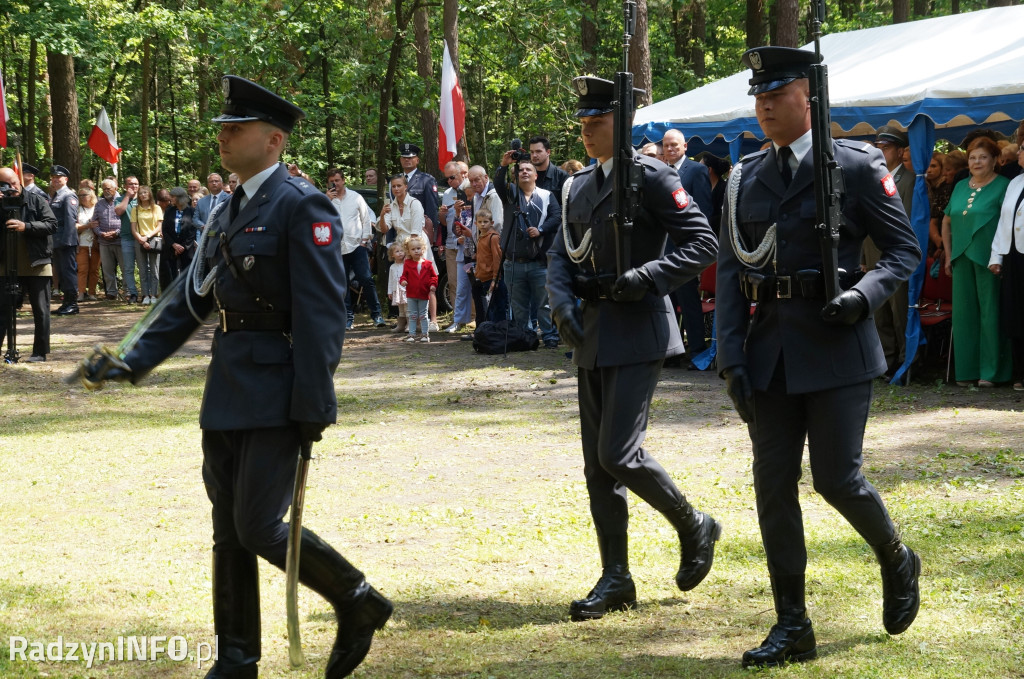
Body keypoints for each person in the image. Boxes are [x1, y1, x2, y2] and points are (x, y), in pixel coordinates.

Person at [76, 75, 392, 679]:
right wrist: (130, 359)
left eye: (237, 128)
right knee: (228, 531)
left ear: (273, 140)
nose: (223, 137)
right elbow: (189, 297)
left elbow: (324, 315)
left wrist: (314, 401)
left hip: (279, 389)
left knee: (259, 526)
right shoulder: (228, 208)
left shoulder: (302, 205)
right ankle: (236, 659)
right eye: (222, 127)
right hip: (227, 387)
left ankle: (357, 599)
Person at [717, 47, 922, 668]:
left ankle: (896, 557)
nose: (764, 106)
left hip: (837, 347)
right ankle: (792, 624)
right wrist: (730, 356)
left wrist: (863, 296)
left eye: (776, 95)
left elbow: (903, 251)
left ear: (808, 96)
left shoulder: (854, 166)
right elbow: (730, 270)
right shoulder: (746, 175)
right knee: (772, 487)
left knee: (837, 479)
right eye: (758, 97)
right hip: (770, 354)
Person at [546, 75, 721, 622]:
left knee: (618, 453)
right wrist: (560, 303)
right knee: (597, 467)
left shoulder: (653, 177)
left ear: (621, 124)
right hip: (592, 330)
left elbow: (703, 243)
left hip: (638, 324)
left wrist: (648, 275)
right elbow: (561, 252)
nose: (587, 131)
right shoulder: (578, 185)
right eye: (582, 122)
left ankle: (693, 523)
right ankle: (616, 577)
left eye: (598, 122)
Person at [941, 136, 1012, 386]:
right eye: (972, 157)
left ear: (995, 160)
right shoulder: (961, 185)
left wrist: (1001, 256)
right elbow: (946, 221)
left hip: (990, 259)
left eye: (983, 157)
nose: (977, 162)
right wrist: (948, 254)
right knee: (964, 315)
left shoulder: (1004, 185)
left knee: (990, 314)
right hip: (961, 258)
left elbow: (1008, 224)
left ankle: (991, 372)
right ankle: (966, 371)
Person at [495, 158, 560, 347]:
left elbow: (557, 216)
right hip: (513, 262)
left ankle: (549, 336)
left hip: (539, 262)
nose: (524, 172)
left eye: (528, 169)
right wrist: (504, 165)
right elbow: (498, 183)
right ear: (515, 175)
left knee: (545, 304)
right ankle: (526, 338)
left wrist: (541, 230)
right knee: (519, 306)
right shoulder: (510, 194)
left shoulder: (547, 195)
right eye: (520, 169)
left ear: (535, 175)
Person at [864, 125, 913, 378]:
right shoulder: (871, 177)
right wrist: (863, 257)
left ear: (900, 151)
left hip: (896, 254)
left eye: (887, 148)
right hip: (873, 253)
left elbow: (908, 219)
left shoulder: (909, 180)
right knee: (879, 311)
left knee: (899, 310)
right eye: (878, 147)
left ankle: (906, 361)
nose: (881, 152)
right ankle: (887, 360)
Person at [662, 129, 714, 364]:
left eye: (674, 145)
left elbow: (704, 210)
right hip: (663, 249)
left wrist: (694, 244)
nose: (670, 149)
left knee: (689, 301)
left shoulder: (696, 170)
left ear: (685, 147)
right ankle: (672, 353)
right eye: (666, 145)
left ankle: (697, 351)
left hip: (685, 248)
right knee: (668, 303)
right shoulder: (660, 171)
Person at [0, 167, 57, 362]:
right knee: (3, 309)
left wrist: (26, 226)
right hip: (6, 264)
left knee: (40, 310)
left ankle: (39, 352)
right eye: (6, 185)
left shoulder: (36, 200)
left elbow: (52, 224)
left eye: (14, 183)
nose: (12, 188)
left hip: (37, 263)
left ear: (19, 180)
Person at [327, 168, 386, 329]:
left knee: (366, 279)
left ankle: (377, 315)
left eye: (337, 180)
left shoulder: (356, 197)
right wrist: (326, 200)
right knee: (343, 283)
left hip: (357, 245)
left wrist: (365, 240)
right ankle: (348, 318)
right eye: (332, 181)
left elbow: (366, 219)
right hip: (337, 248)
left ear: (343, 180)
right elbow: (319, 219)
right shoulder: (326, 201)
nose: (335, 184)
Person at [989, 144, 1024, 390]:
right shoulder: (1015, 182)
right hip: (1013, 256)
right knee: (1015, 314)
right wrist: (996, 256)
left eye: (1023, 148)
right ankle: (1020, 372)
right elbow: (1004, 221)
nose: (1019, 152)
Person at [438, 161, 473, 331]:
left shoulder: (470, 189)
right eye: (447, 179)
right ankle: (457, 318)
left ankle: (473, 317)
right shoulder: (446, 193)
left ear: (462, 174)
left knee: (472, 282)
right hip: (452, 243)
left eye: (452, 177)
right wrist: (441, 214)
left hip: (469, 245)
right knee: (453, 283)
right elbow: (444, 223)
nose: (449, 181)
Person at [49, 165, 80, 315]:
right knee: (61, 272)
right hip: (57, 240)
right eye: (53, 177)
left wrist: (67, 241)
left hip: (65, 241)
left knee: (68, 272)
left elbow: (70, 220)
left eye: (58, 177)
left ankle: (72, 304)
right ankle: (66, 303)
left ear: (66, 179)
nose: (55, 180)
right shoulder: (56, 195)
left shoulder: (68, 196)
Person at [470, 208, 507, 324]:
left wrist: (495, 279)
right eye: (480, 222)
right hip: (484, 278)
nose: (482, 224)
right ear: (475, 223)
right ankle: (493, 331)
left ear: (492, 223)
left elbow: (497, 259)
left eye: (485, 222)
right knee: (490, 309)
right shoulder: (481, 237)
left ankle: (499, 331)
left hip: (493, 279)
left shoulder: (493, 237)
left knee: (498, 309)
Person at [399, 233, 437, 342]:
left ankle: (425, 334)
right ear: (409, 251)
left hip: (424, 294)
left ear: (423, 249)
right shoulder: (407, 263)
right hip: (411, 294)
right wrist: (403, 281)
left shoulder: (428, 264)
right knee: (412, 315)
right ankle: (412, 334)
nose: (416, 251)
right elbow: (404, 275)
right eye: (413, 249)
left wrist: (433, 285)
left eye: (418, 248)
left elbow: (433, 277)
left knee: (423, 315)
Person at [130, 186, 164, 305]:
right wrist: (142, 240)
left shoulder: (157, 208)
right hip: (139, 240)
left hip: (154, 240)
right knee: (143, 269)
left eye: (145, 192)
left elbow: (159, 227)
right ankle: (145, 295)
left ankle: (154, 294)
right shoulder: (135, 209)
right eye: (140, 193)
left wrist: (147, 237)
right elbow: (133, 228)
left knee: (154, 269)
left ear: (150, 194)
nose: (143, 195)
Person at [159, 187, 198, 288]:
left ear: (179, 198)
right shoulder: (169, 211)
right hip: (171, 248)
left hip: (187, 249)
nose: (170, 199)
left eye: (172, 197)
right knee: (171, 275)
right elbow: (165, 230)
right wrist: (173, 245)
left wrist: (183, 246)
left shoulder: (192, 211)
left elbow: (193, 231)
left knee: (187, 275)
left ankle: (187, 293)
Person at [114, 175, 141, 303]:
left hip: (142, 238)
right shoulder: (119, 199)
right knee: (128, 268)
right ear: (125, 186)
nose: (134, 186)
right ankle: (133, 293)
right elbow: (119, 212)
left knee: (144, 268)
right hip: (127, 238)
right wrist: (127, 197)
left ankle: (147, 293)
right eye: (131, 184)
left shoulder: (143, 198)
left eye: (136, 184)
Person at [75, 187, 101, 301]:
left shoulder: (98, 208)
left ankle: (92, 293)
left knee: (94, 270)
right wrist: (87, 226)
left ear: (91, 196)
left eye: (84, 195)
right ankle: (81, 293)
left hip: (96, 243)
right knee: (82, 269)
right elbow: (74, 226)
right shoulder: (77, 209)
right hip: (82, 243)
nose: (82, 197)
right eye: (80, 195)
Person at [529, 135, 569, 203]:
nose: (534, 155)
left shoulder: (561, 176)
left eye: (538, 151)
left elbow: (568, 204)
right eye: (532, 152)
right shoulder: (526, 175)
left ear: (548, 152)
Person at [387, 241, 409, 333]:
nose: (400, 253)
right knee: (401, 309)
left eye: (401, 251)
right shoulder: (392, 267)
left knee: (407, 308)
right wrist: (390, 291)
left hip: (406, 290)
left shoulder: (407, 265)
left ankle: (410, 325)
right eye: (397, 251)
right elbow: (390, 280)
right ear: (392, 255)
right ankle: (401, 325)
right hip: (397, 290)